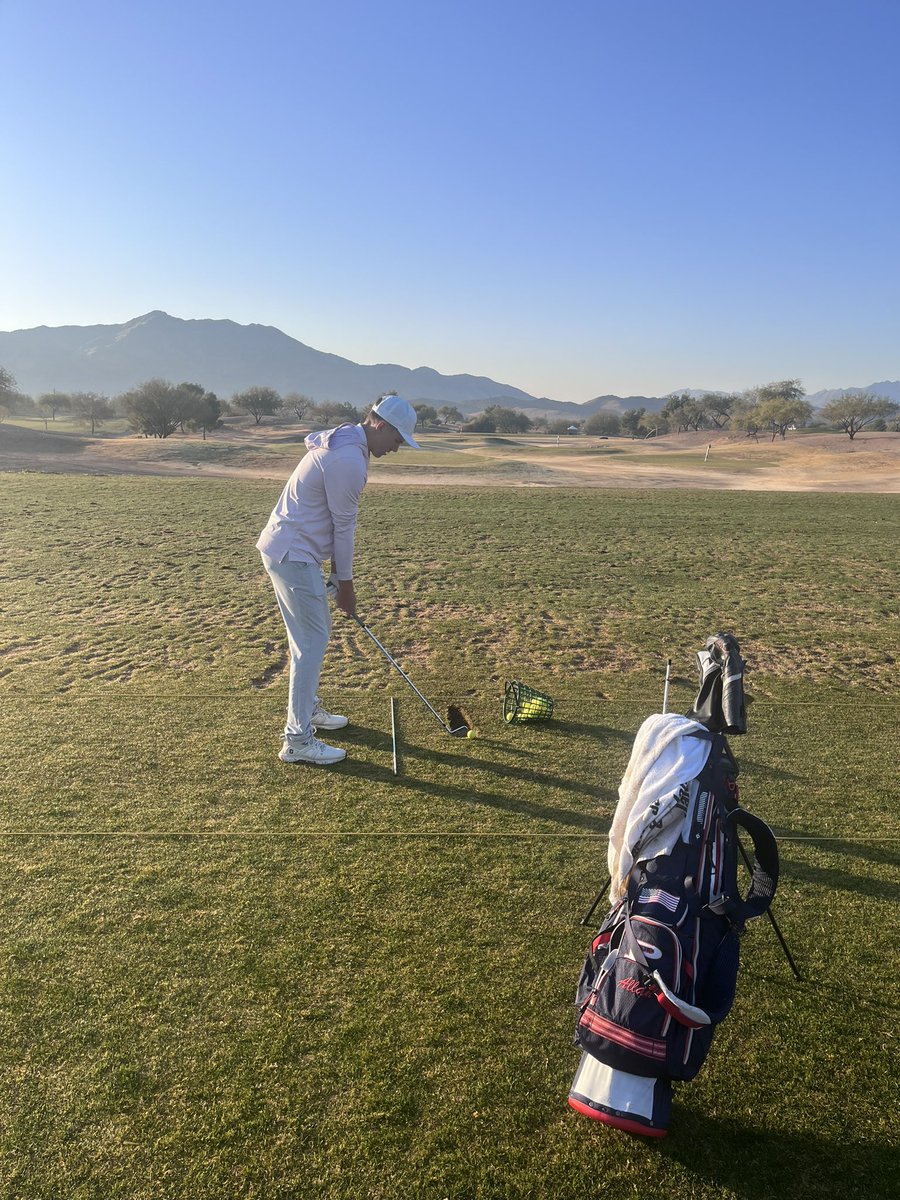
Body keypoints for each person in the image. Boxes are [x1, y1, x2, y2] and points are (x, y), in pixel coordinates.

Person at [256, 394, 420, 765]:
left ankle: (308, 710)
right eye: (397, 439)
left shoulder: (348, 440)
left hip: (290, 549)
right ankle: (297, 740)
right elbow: (343, 527)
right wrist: (346, 585)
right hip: (292, 553)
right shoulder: (348, 458)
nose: (397, 448)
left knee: (312, 637)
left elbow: (334, 522)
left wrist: (335, 576)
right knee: (311, 642)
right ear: (381, 425)